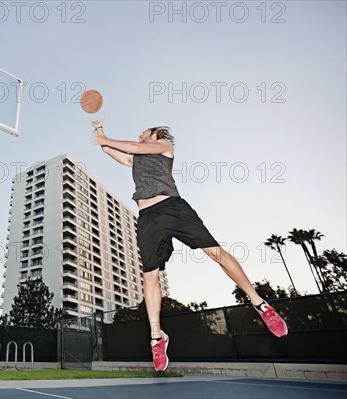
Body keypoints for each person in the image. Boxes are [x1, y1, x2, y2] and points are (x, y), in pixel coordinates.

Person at [90, 121, 288, 372]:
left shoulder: (164, 145)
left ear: (155, 134)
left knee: (215, 252)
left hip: (173, 208)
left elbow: (130, 145)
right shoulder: (135, 160)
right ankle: (156, 336)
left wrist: (106, 137)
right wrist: (100, 132)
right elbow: (109, 149)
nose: (139, 134)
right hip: (148, 217)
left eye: (144, 132)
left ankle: (260, 304)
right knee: (149, 276)